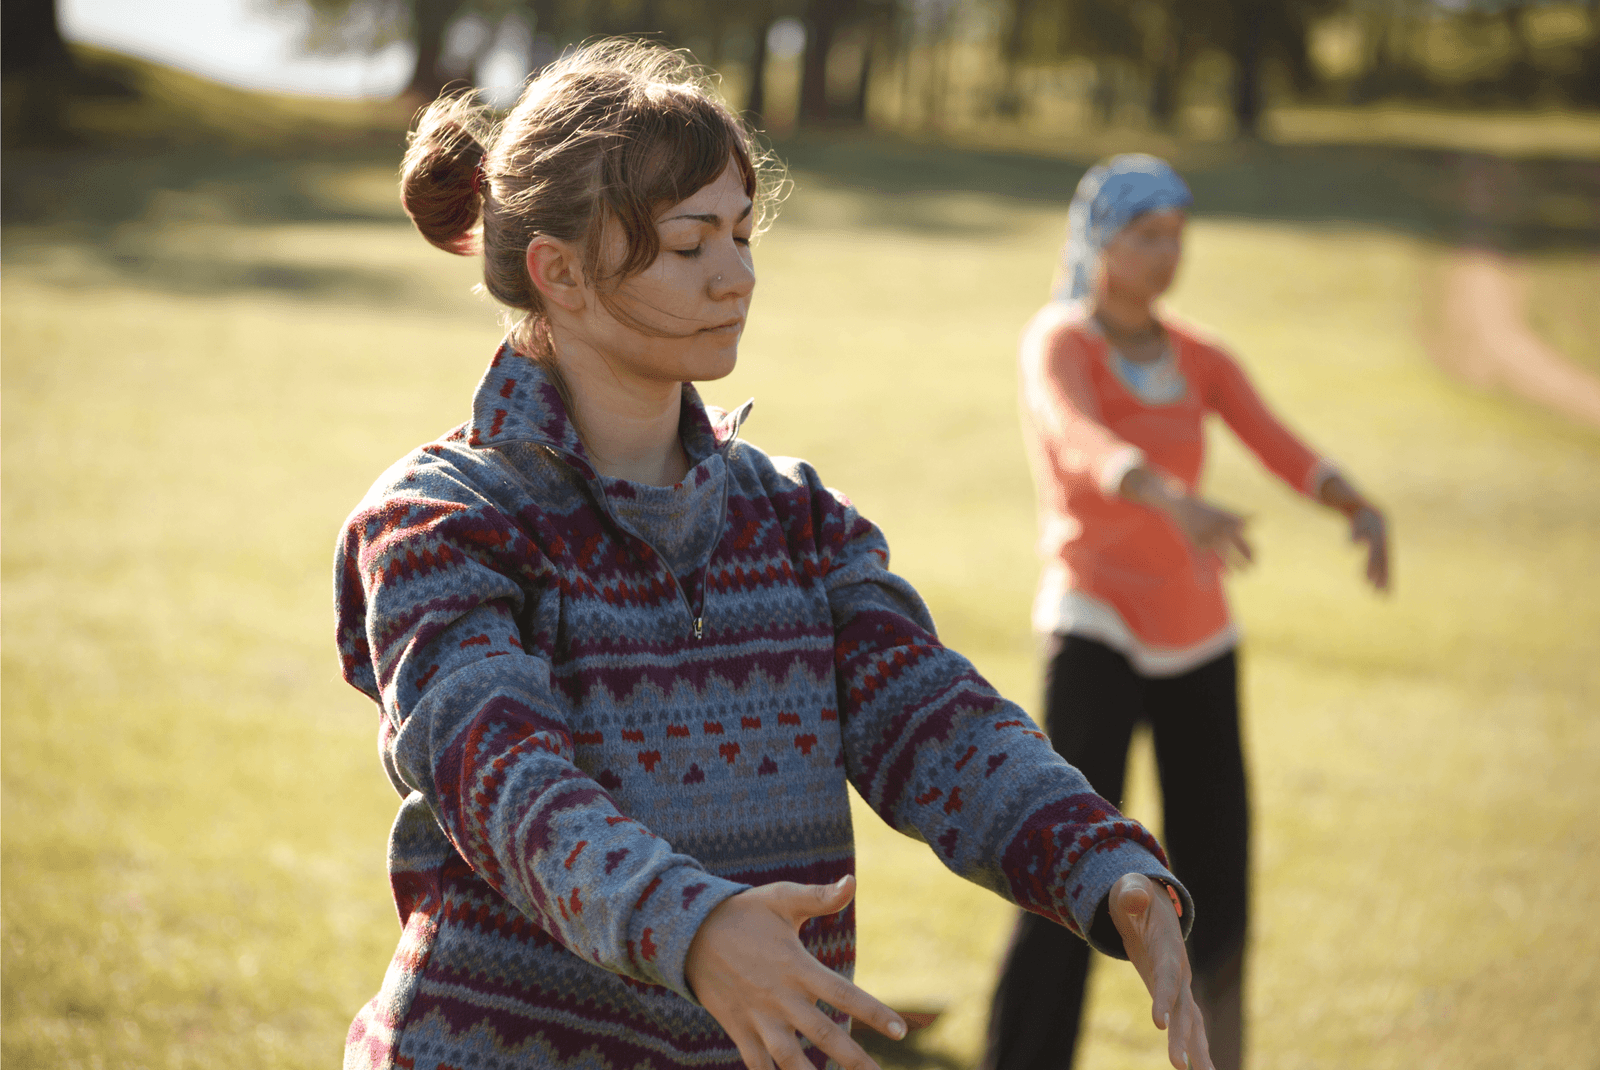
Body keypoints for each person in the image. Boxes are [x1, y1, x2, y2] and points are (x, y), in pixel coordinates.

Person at [334, 45, 1216, 1070]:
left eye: (743, 233)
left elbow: (935, 720)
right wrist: (695, 928)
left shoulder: (795, 518)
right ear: (560, 271)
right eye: (688, 244)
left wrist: (1102, 862)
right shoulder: (442, 521)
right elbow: (506, 785)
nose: (738, 273)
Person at [981, 154, 1391, 1070]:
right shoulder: (1062, 340)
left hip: (1198, 637)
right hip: (1093, 625)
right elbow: (1080, 441)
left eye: (1178, 236)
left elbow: (1275, 439)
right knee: (1065, 860)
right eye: (1148, 236)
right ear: (1102, 243)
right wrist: (1170, 497)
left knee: (1216, 872)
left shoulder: (1199, 354)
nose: (1169, 253)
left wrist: (1352, 501)